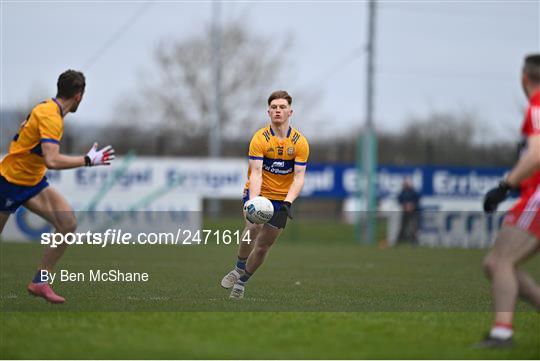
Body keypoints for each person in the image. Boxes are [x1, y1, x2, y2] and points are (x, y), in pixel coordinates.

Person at [0, 70, 115, 304]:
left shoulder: (45, 108)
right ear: (79, 96)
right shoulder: (51, 117)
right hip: (9, 182)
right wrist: (87, 160)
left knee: (67, 223)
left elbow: (28, 130)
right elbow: (51, 160)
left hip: (32, 183)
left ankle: (40, 281)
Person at [220, 90, 309, 299]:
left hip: (281, 199)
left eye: (282, 107)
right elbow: (257, 173)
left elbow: (298, 178)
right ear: (268, 112)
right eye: (274, 108)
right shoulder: (260, 138)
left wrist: (288, 202)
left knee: (262, 248)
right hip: (259, 192)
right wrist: (253, 201)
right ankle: (238, 267)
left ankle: (242, 282)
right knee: (253, 226)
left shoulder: (299, 142)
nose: (278, 111)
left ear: (290, 112)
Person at [481, 54, 540, 347]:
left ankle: (502, 332)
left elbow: (538, 153)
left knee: (500, 260)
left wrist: (505, 185)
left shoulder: (537, 104)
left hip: (538, 198)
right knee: (497, 263)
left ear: (523, 78)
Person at [396, 178, 421, 245]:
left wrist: (412, 206)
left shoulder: (413, 192)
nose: (405, 185)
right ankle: (399, 241)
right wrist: (405, 206)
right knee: (403, 226)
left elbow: (417, 200)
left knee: (413, 227)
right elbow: (399, 199)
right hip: (405, 212)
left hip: (413, 212)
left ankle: (414, 241)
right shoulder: (403, 192)